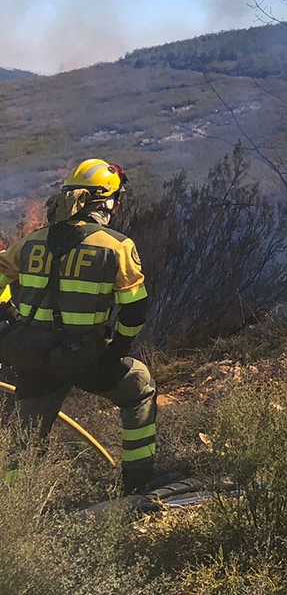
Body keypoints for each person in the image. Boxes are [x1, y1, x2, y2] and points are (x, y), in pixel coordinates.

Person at [0, 159, 157, 493]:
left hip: (31, 358)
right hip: (87, 358)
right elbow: (135, 309)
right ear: (106, 203)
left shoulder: (30, 242)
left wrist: (8, 318)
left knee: (24, 439)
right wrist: (119, 348)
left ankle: (13, 506)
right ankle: (138, 483)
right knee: (139, 386)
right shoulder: (117, 246)